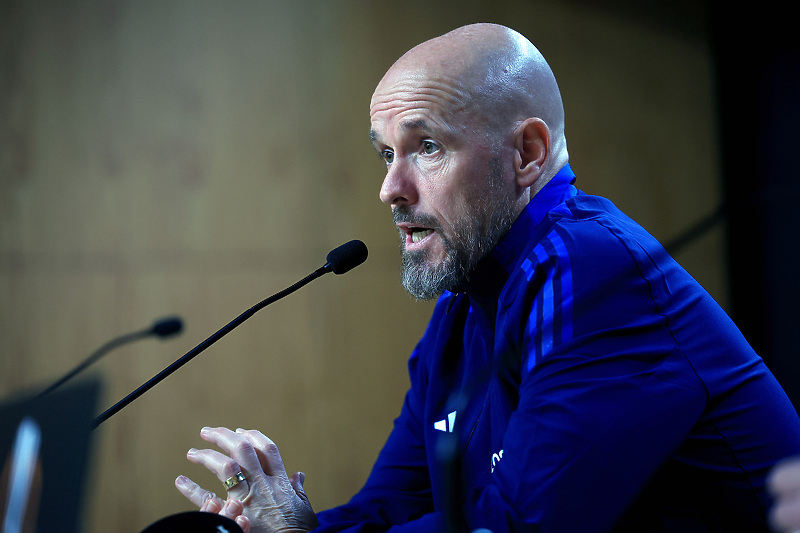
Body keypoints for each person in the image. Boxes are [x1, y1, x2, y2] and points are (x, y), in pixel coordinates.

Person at [174, 23, 800, 532]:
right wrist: (288, 529)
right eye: (387, 153)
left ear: (527, 153)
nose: (391, 189)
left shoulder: (592, 268)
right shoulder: (462, 307)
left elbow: (522, 527)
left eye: (427, 147)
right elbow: (393, 510)